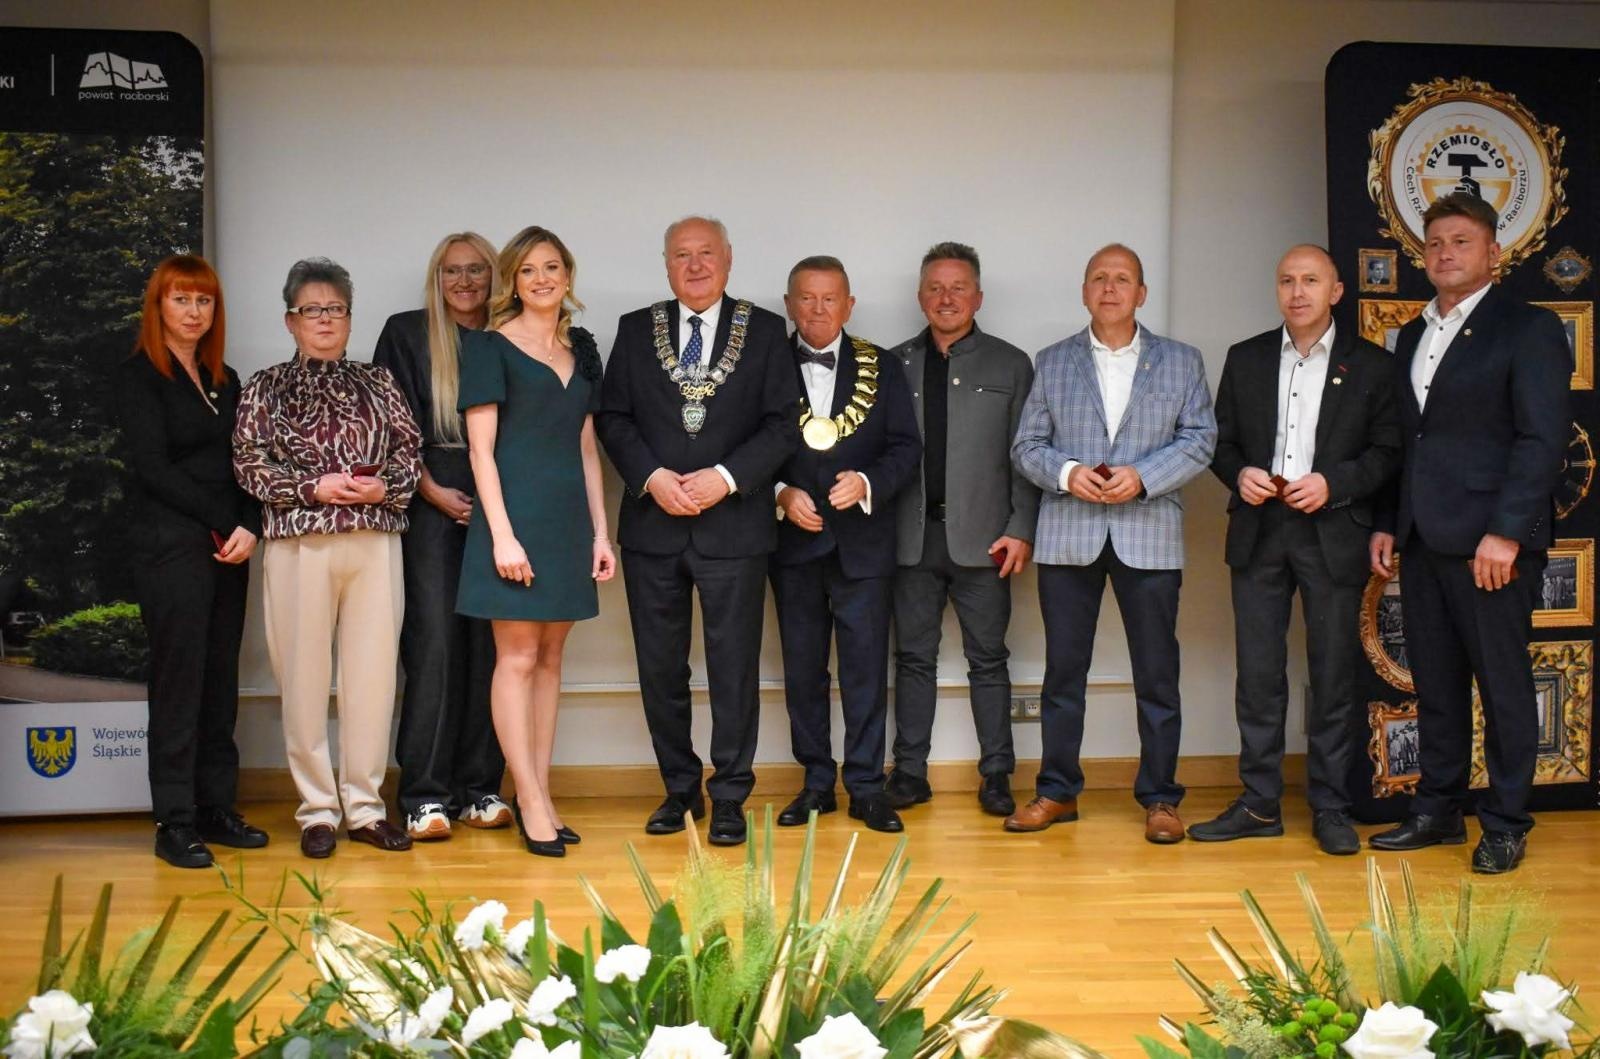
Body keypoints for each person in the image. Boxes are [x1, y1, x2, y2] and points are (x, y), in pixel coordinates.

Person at [1367, 192, 1570, 874]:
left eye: (1460, 241)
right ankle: (1438, 808)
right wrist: (1389, 523)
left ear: (1494, 253)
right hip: (1424, 538)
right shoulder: (1414, 333)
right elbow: (1408, 441)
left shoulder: (1530, 328)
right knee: (1438, 684)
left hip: (1492, 544)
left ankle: (1507, 820)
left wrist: (1507, 534)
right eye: (1434, 243)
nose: (1445, 252)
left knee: (1504, 685)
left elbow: (1542, 439)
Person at [595, 216, 799, 847]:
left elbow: (783, 423)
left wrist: (727, 477)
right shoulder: (634, 330)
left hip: (734, 528)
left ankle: (731, 795)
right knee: (661, 668)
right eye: (681, 255)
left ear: (729, 259)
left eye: (705, 253)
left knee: (733, 667)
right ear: (665, 264)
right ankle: (679, 791)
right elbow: (613, 417)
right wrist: (652, 477)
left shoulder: (765, 331)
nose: (695, 265)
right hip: (653, 526)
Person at [1189, 245, 1400, 855]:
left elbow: (1388, 453)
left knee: (1333, 677)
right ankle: (1258, 803)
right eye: (1286, 280)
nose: (1297, 291)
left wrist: (1336, 484)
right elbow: (1220, 442)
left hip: (1333, 533)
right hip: (1260, 529)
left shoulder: (1372, 367)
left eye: (1311, 280)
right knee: (1258, 676)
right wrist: (1239, 474)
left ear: (1336, 290)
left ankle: (1330, 805)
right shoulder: (1247, 357)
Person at [1010, 243, 1216, 843]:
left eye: (1122, 279)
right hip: (1069, 535)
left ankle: (1160, 798)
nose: (1109, 288)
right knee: (1062, 673)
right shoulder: (1052, 362)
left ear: (1141, 294)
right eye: (1098, 278)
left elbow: (1201, 439)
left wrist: (1144, 477)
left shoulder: (1181, 362)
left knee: (1157, 673)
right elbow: (1026, 445)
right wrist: (1070, 473)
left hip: (1148, 535)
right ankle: (1056, 792)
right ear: (1084, 291)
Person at [234, 257, 422, 859]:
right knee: (304, 678)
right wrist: (310, 489)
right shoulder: (264, 386)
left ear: (348, 317)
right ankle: (317, 809)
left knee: (371, 678)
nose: (325, 320)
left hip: (374, 541)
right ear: (291, 319)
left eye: (335, 309)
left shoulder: (379, 382)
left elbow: (408, 453)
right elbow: (248, 462)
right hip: (299, 545)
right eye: (312, 309)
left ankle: (365, 808)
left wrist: (381, 487)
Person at [456, 226, 615, 858]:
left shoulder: (581, 349)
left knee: (551, 661)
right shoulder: (489, 347)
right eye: (527, 271)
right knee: (516, 660)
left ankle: (539, 795)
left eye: (552, 267)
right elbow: (481, 451)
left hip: (568, 524)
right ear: (512, 282)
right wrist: (502, 537)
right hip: (513, 522)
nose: (542, 279)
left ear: (568, 276)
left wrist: (602, 533)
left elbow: (585, 447)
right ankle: (529, 800)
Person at [113, 255, 266, 869]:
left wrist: (250, 523)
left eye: (203, 301)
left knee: (218, 679)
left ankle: (213, 807)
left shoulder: (224, 378)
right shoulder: (137, 377)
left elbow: (248, 461)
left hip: (229, 546)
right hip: (170, 544)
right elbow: (153, 469)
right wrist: (222, 519)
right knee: (179, 682)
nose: (193, 311)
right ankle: (173, 820)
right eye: (181, 300)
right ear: (159, 307)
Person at [770, 256, 921, 834]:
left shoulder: (881, 365)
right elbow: (746, 443)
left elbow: (906, 448)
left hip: (864, 544)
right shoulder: (765, 362)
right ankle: (815, 783)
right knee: (804, 670)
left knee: (864, 669)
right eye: (805, 298)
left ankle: (864, 785)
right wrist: (781, 494)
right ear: (789, 304)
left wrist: (867, 484)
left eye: (829, 298)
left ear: (849, 305)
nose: (817, 309)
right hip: (792, 544)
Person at [887, 242, 1039, 817]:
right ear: (920, 295)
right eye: (935, 287)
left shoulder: (1011, 364)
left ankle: (997, 774)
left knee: (989, 659)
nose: (945, 298)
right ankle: (908, 772)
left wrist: (1021, 527)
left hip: (986, 541)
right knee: (912, 659)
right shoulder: (893, 363)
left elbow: (1026, 456)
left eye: (958, 288)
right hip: (911, 539)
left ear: (978, 295)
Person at [373, 232, 511, 842]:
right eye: (452, 271)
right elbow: (388, 424)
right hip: (427, 500)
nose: (464, 282)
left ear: (493, 276)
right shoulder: (405, 333)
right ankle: (425, 796)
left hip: (502, 502)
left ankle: (481, 789)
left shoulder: (508, 333)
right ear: (436, 277)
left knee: (492, 647)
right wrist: (429, 489)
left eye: (476, 270)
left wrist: (496, 502)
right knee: (433, 645)